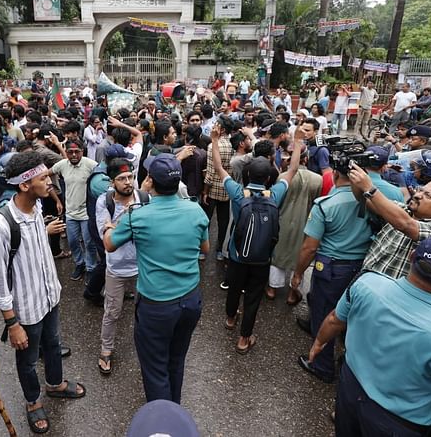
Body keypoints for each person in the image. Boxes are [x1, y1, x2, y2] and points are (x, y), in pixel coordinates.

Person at [310, 236, 431, 437]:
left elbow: (335, 319)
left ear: (412, 257)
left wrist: (319, 342)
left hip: (349, 391)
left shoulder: (367, 283)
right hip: (399, 423)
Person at [0, 151, 86, 434]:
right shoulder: (1, 224)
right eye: (43, 178)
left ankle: (55, 384)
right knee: (28, 360)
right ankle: (32, 402)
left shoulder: (38, 208)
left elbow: (30, 246)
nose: (49, 182)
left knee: (53, 344)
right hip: (26, 309)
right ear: (24, 185)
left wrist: (44, 231)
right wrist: (11, 322)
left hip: (49, 297)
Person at [104, 153, 210, 403]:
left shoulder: (138, 215)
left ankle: (162, 421)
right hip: (190, 300)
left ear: (150, 180)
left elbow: (110, 245)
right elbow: (204, 249)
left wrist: (110, 227)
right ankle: (174, 409)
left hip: (156, 305)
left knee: (155, 367)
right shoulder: (195, 210)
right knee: (176, 359)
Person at [213, 125, 308, 354]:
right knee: (253, 298)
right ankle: (244, 339)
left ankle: (229, 319)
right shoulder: (274, 194)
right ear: (268, 177)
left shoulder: (238, 192)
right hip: (262, 258)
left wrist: (215, 141)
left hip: (237, 255)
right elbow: (293, 170)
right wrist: (296, 141)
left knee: (234, 288)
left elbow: (218, 167)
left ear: (246, 175)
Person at [291, 165, 375, 383]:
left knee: (323, 312)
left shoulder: (326, 205)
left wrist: (298, 273)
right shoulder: (374, 200)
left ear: (335, 175)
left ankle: (322, 365)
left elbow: (309, 247)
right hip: (360, 265)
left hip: (331, 268)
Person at [348, 162, 431, 279]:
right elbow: (364, 199)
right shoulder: (403, 209)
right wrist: (353, 174)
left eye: (428, 195)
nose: (418, 195)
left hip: (389, 293)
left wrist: (370, 188)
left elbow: (405, 225)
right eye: (420, 190)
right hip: (364, 279)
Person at [95, 158, 146, 375]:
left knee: (144, 311)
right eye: (122, 178)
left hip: (141, 267)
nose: (128, 182)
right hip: (116, 269)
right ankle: (106, 351)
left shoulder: (144, 198)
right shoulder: (104, 201)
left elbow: (145, 228)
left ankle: (147, 348)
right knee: (112, 313)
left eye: (130, 177)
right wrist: (124, 220)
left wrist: (115, 226)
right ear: (112, 182)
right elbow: (107, 239)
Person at [268, 145, 322, 303]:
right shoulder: (317, 179)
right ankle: (293, 293)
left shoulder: (283, 177)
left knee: (278, 253)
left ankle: (272, 288)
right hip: (305, 222)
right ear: (306, 159)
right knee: (300, 256)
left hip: (283, 219)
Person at [50, 138, 99, 281]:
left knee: (89, 243)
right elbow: (46, 174)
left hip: (86, 213)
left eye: (76, 152)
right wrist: (55, 196)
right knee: (72, 242)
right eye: (70, 152)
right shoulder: (62, 165)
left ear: (82, 152)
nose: (73, 155)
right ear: (66, 152)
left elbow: (103, 178)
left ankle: (91, 268)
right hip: (70, 213)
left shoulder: (91, 165)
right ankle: (80, 263)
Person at [203, 115, 234, 263]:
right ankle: (220, 250)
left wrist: (205, 191)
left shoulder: (212, 146)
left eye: (216, 125)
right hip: (227, 187)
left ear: (221, 129)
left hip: (213, 188)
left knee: (206, 221)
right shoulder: (232, 144)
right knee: (223, 222)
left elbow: (210, 171)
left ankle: (202, 250)